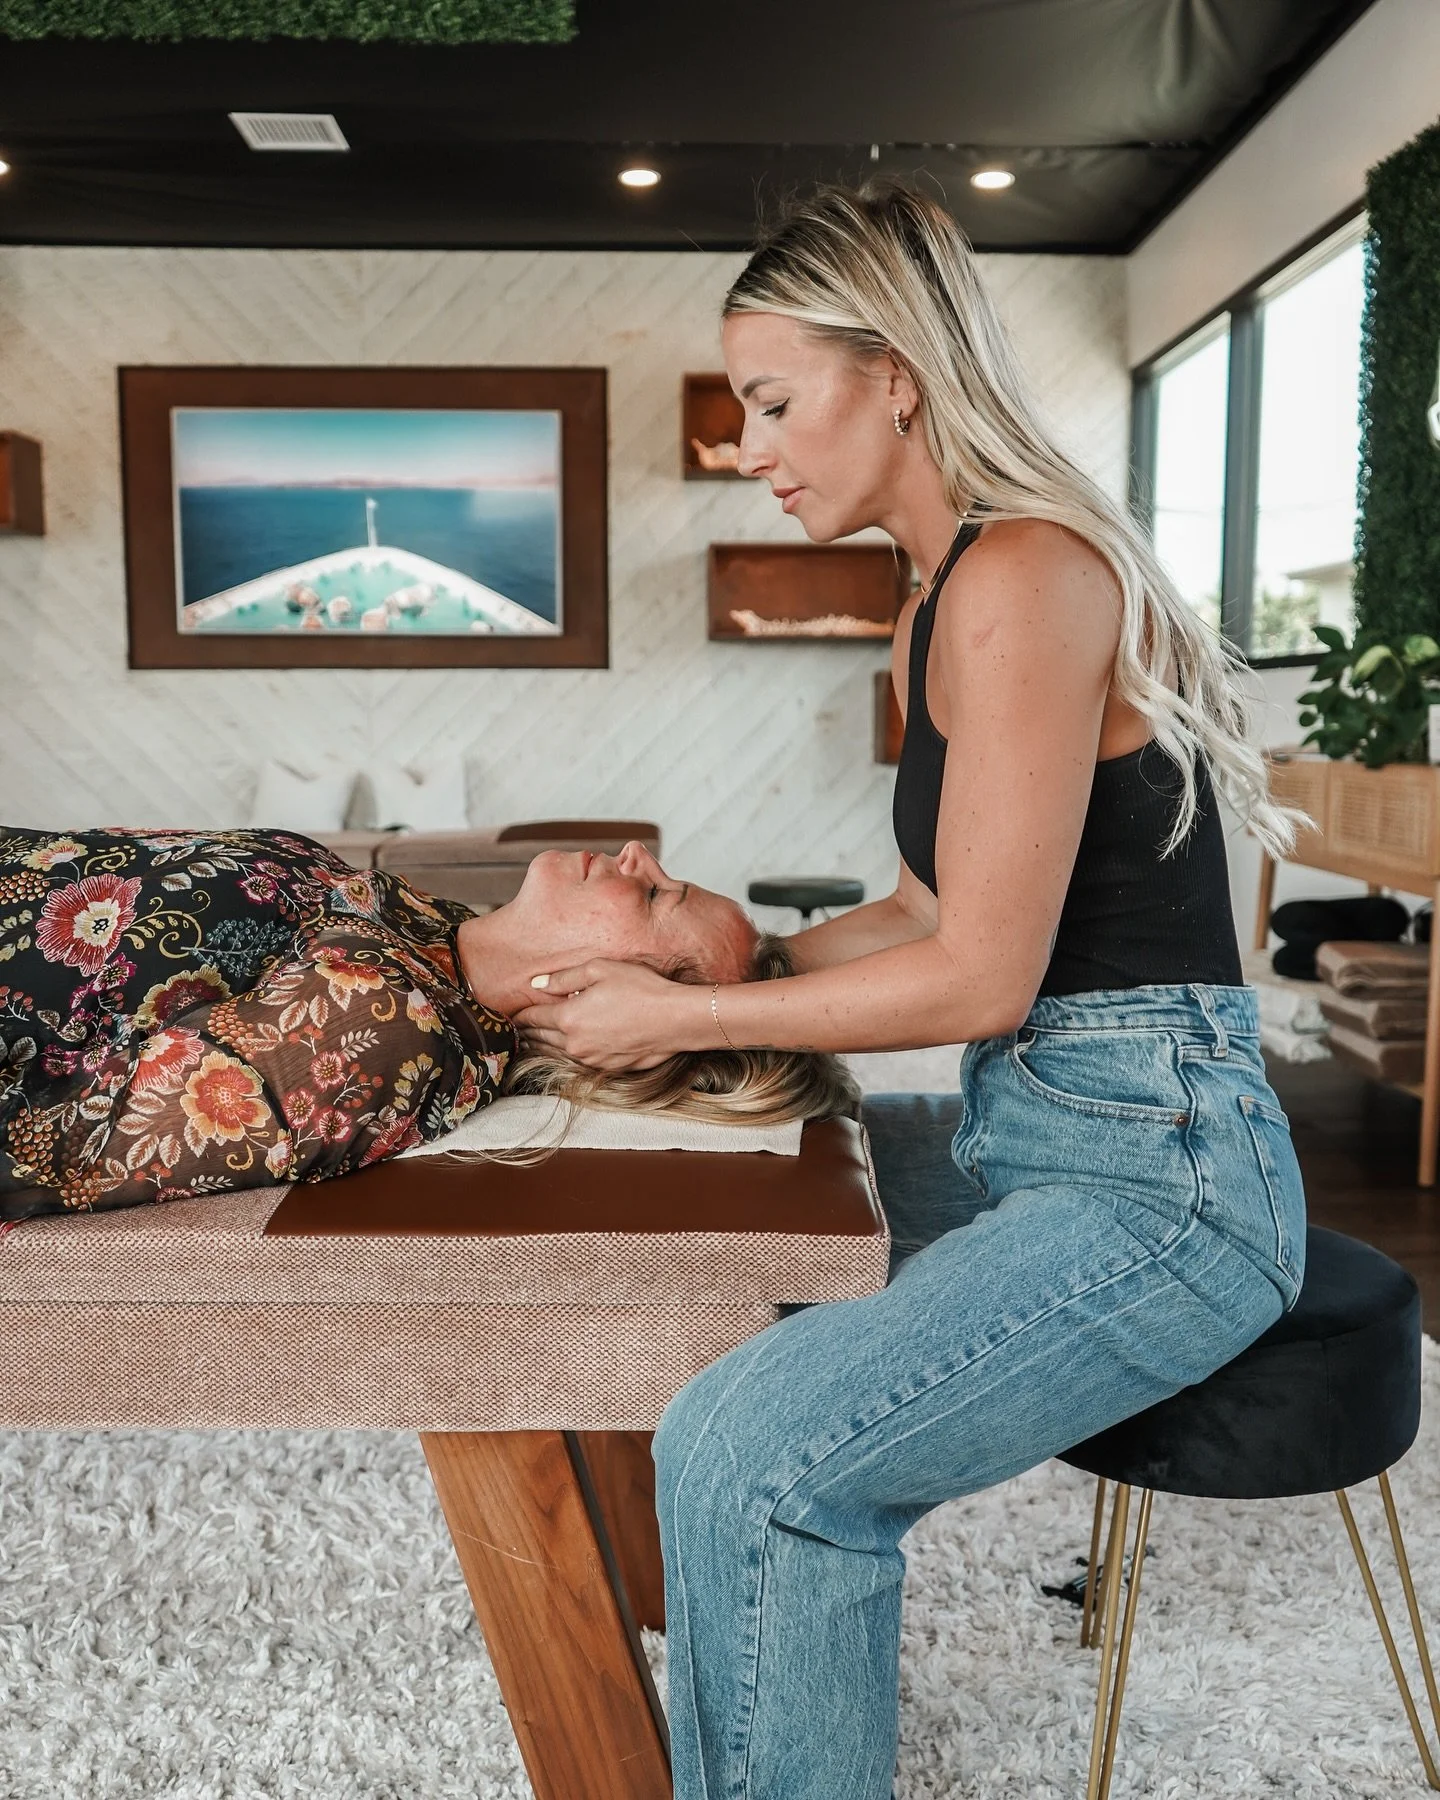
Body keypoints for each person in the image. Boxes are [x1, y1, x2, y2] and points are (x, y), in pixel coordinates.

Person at [517, 180, 1309, 1800]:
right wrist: (716, 958)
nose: (752, 447)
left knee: (761, 1452)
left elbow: (978, 974)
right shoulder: (937, 602)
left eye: (772, 400)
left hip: (1170, 1179)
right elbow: (926, 907)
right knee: (719, 1373)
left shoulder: (1026, 572)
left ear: (895, 373)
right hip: (1059, 1133)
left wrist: (685, 1019)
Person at [0, 826, 850, 1221]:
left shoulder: (388, 1032)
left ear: (618, 1001)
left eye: (661, 896)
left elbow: (63, 1147)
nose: (640, 858)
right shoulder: (426, 929)